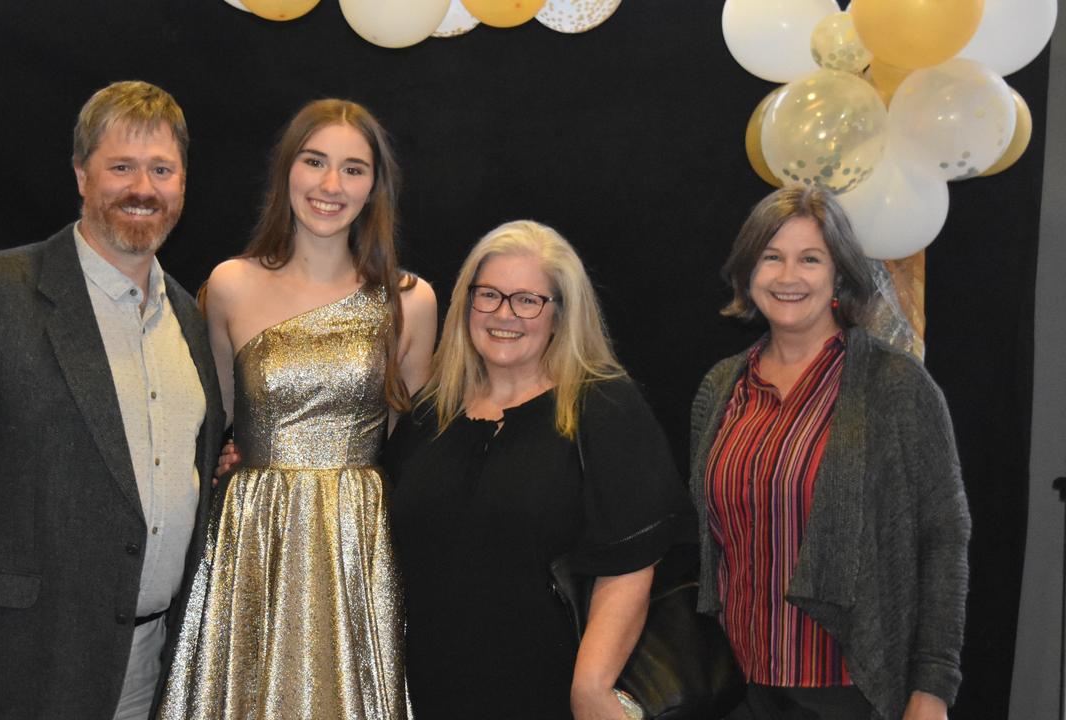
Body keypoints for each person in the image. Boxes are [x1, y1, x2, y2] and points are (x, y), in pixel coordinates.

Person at [0, 81, 224, 720]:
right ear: (81, 175)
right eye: (120, 167)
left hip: (154, 665)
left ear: (182, 184)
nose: (142, 189)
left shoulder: (190, 318)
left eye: (161, 170)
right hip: (15, 669)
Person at [156, 99, 436, 720]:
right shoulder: (229, 284)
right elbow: (210, 425)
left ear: (375, 187)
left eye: (353, 169)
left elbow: (414, 443)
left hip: (355, 543)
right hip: (251, 538)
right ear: (288, 171)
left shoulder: (410, 302)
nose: (331, 185)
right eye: (315, 162)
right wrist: (231, 458)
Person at [382, 220, 696, 720]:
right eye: (489, 295)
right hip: (427, 690)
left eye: (528, 300)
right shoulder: (431, 412)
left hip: (550, 694)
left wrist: (591, 689)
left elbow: (631, 564)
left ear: (560, 315)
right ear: (467, 304)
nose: (505, 314)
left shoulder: (604, 406)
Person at [690, 186, 971, 720]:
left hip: (849, 687)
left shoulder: (894, 385)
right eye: (771, 257)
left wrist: (932, 689)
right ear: (748, 273)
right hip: (739, 686)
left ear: (839, 274)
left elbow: (943, 539)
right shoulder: (720, 388)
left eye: (810, 259)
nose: (788, 276)